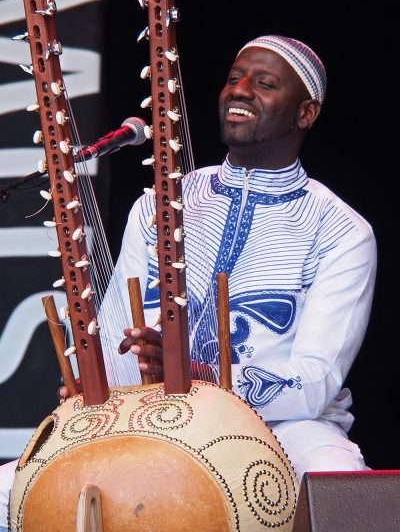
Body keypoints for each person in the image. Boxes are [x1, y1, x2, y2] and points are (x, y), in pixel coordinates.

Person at [0, 35, 376, 530]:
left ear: (305, 113)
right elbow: (118, 333)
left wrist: (197, 372)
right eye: (234, 78)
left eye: (264, 84)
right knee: (11, 490)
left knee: (347, 495)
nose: (240, 91)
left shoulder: (341, 231)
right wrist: (98, 387)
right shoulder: (158, 205)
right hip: (153, 412)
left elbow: (316, 381)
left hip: (285, 426)